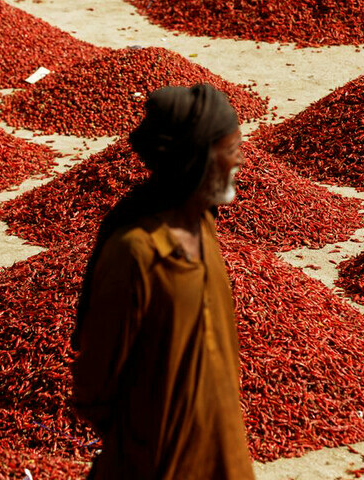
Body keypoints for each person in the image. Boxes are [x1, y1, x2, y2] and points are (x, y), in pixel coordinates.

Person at [71, 83, 255, 480]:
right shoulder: (135, 252)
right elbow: (94, 384)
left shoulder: (204, 226)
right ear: (198, 160)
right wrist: (149, 433)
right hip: (154, 464)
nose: (240, 159)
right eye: (231, 148)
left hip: (225, 457)